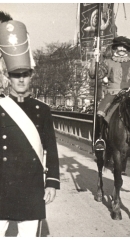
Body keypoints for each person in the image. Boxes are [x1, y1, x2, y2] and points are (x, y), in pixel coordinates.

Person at [0, 12, 60, 237]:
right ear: (8, 77)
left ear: (31, 75)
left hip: (31, 188)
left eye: (25, 74)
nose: (21, 80)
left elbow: (51, 149)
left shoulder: (42, 110)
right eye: (16, 75)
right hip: (2, 187)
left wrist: (52, 182)